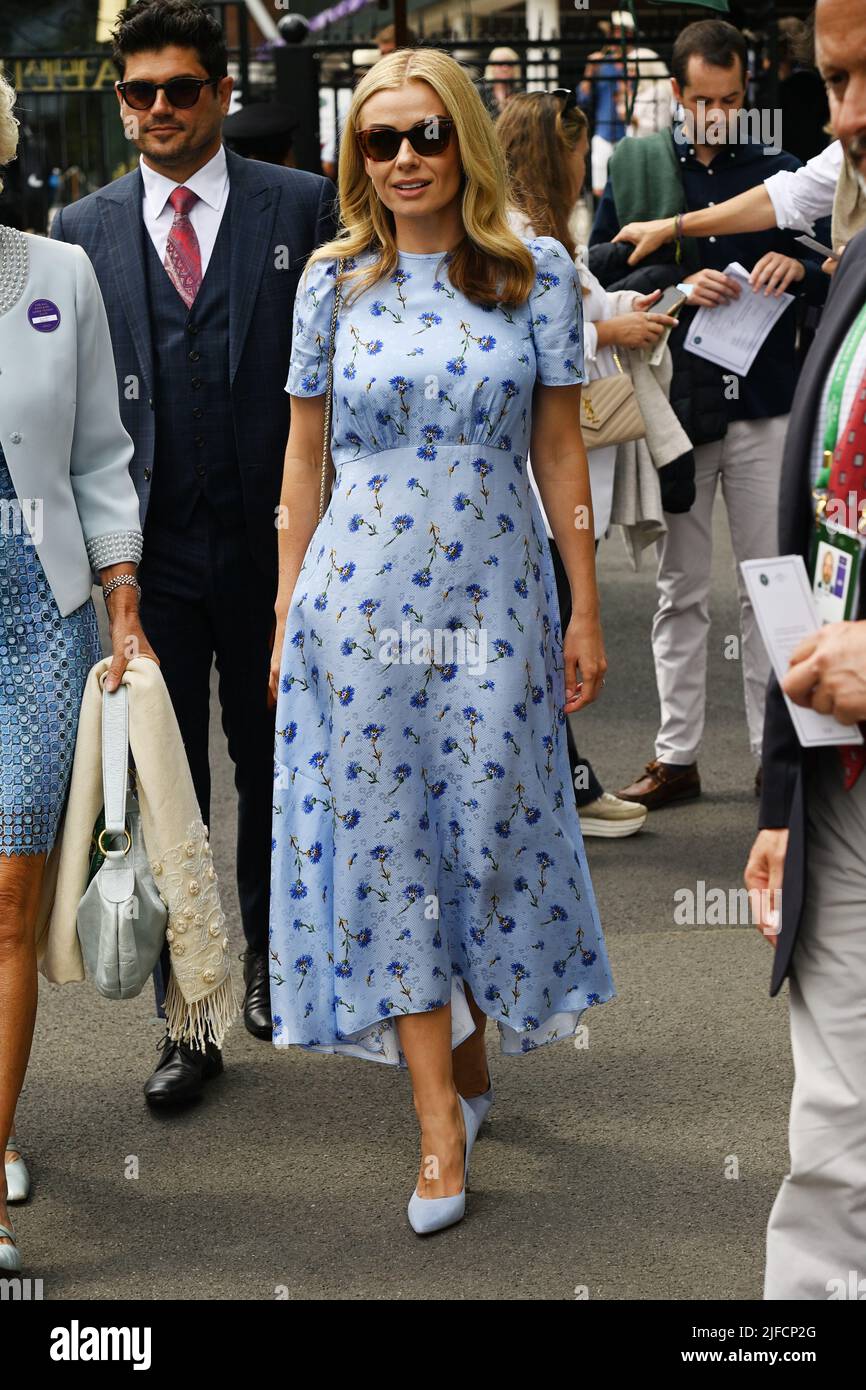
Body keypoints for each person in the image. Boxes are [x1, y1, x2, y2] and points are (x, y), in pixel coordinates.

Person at [269, 46, 615, 1234]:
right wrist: (283, 611)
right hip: (354, 610)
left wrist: (583, 599)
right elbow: (302, 460)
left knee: (483, 832)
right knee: (388, 848)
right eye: (380, 139)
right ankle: (434, 1128)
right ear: (354, 156)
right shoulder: (331, 282)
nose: (405, 158)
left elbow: (560, 450)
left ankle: (467, 1059)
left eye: (425, 134)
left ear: (461, 137)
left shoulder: (535, 274)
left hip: (493, 605)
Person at [51, 0, 337, 1106]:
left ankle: (270, 967)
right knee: (168, 789)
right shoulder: (83, 230)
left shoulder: (299, 205)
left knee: (274, 767)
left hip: (273, 547)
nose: (159, 108)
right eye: (138, 92)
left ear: (222, 92)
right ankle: (191, 1017)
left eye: (180, 88)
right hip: (143, 551)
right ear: (119, 104)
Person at [590, 18, 827, 809]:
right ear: (679, 95)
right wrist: (686, 282)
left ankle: (775, 757)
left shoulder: (784, 169)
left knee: (770, 582)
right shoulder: (641, 166)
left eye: (731, 100)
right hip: (679, 408)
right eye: (703, 101)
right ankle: (676, 757)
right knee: (680, 587)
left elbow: (838, 269)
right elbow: (598, 269)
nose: (718, 115)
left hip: (765, 401)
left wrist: (798, 266)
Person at [0, 71, 153, 1271]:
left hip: (35, 619)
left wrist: (122, 600)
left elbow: (103, 455)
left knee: (8, 900)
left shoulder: (59, 275)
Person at [744, 0, 866, 1303]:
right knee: (832, 1149)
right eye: (829, 80)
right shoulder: (859, 240)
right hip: (839, 787)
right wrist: (783, 790)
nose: (844, 117)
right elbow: (821, 532)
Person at [497, 87, 682, 837]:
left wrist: (622, 315)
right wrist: (613, 335)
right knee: (551, 632)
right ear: (555, 153)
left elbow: (584, 303)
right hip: (538, 472)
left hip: (557, 470)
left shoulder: (540, 229)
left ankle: (565, 785)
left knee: (549, 631)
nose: (586, 168)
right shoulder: (512, 232)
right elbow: (527, 345)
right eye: (578, 153)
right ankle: (566, 789)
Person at [577, 10, 630, 197]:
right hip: (603, 132)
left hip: (629, 132)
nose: (617, 37)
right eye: (614, 32)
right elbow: (583, 98)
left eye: (622, 32)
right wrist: (590, 71)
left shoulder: (635, 62)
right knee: (600, 187)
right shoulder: (602, 64)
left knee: (627, 183)